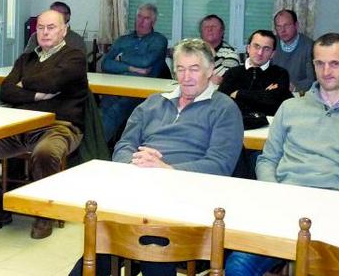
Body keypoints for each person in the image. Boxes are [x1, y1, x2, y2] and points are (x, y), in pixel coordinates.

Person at [225, 33, 339, 275]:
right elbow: (267, 160)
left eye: (335, 63)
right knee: (237, 266)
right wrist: (274, 188)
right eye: (320, 63)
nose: (326, 70)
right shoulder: (290, 108)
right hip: (286, 206)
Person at [69, 38, 243, 276]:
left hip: (188, 193)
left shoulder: (224, 109)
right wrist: (134, 163)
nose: (186, 77)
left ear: (210, 70)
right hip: (139, 185)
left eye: (194, 69)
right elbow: (124, 144)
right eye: (180, 69)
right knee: (102, 239)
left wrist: (167, 170)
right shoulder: (153, 103)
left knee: (151, 241)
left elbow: (220, 164)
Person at [0, 9, 89, 239]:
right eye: (40, 28)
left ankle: (43, 214)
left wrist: (23, 83)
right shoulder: (26, 58)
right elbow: (6, 90)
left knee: (45, 153)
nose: (44, 33)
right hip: (21, 125)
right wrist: (36, 95)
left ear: (64, 30)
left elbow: (54, 80)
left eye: (51, 27)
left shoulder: (74, 57)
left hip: (61, 125)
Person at [100, 3, 168, 142]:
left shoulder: (159, 40)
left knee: (116, 110)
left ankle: (96, 149)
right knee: (100, 110)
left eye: (146, 18)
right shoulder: (123, 40)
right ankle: (101, 148)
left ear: (153, 22)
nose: (141, 21)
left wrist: (121, 57)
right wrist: (132, 68)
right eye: (139, 16)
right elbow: (105, 64)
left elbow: (145, 62)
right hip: (116, 87)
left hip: (142, 92)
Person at [219, 29, 292, 117]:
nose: (260, 53)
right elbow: (221, 105)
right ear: (248, 48)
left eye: (266, 49)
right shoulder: (232, 73)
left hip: (269, 126)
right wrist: (261, 97)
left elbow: (274, 103)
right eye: (256, 46)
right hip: (237, 125)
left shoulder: (280, 74)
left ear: (272, 54)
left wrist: (239, 94)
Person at [271, 9, 315, 93]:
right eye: (279, 26)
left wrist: (294, 87)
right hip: (273, 93)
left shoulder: (310, 47)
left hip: (298, 95)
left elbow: (312, 80)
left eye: (287, 25)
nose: (283, 30)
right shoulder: (271, 43)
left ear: (296, 25)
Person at [199, 14, 240, 84]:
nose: (209, 29)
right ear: (201, 32)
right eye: (206, 27)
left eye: (213, 27)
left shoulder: (231, 53)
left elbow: (225, 79)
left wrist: (212, 53)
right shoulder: (193, 50)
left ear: (222, 31)